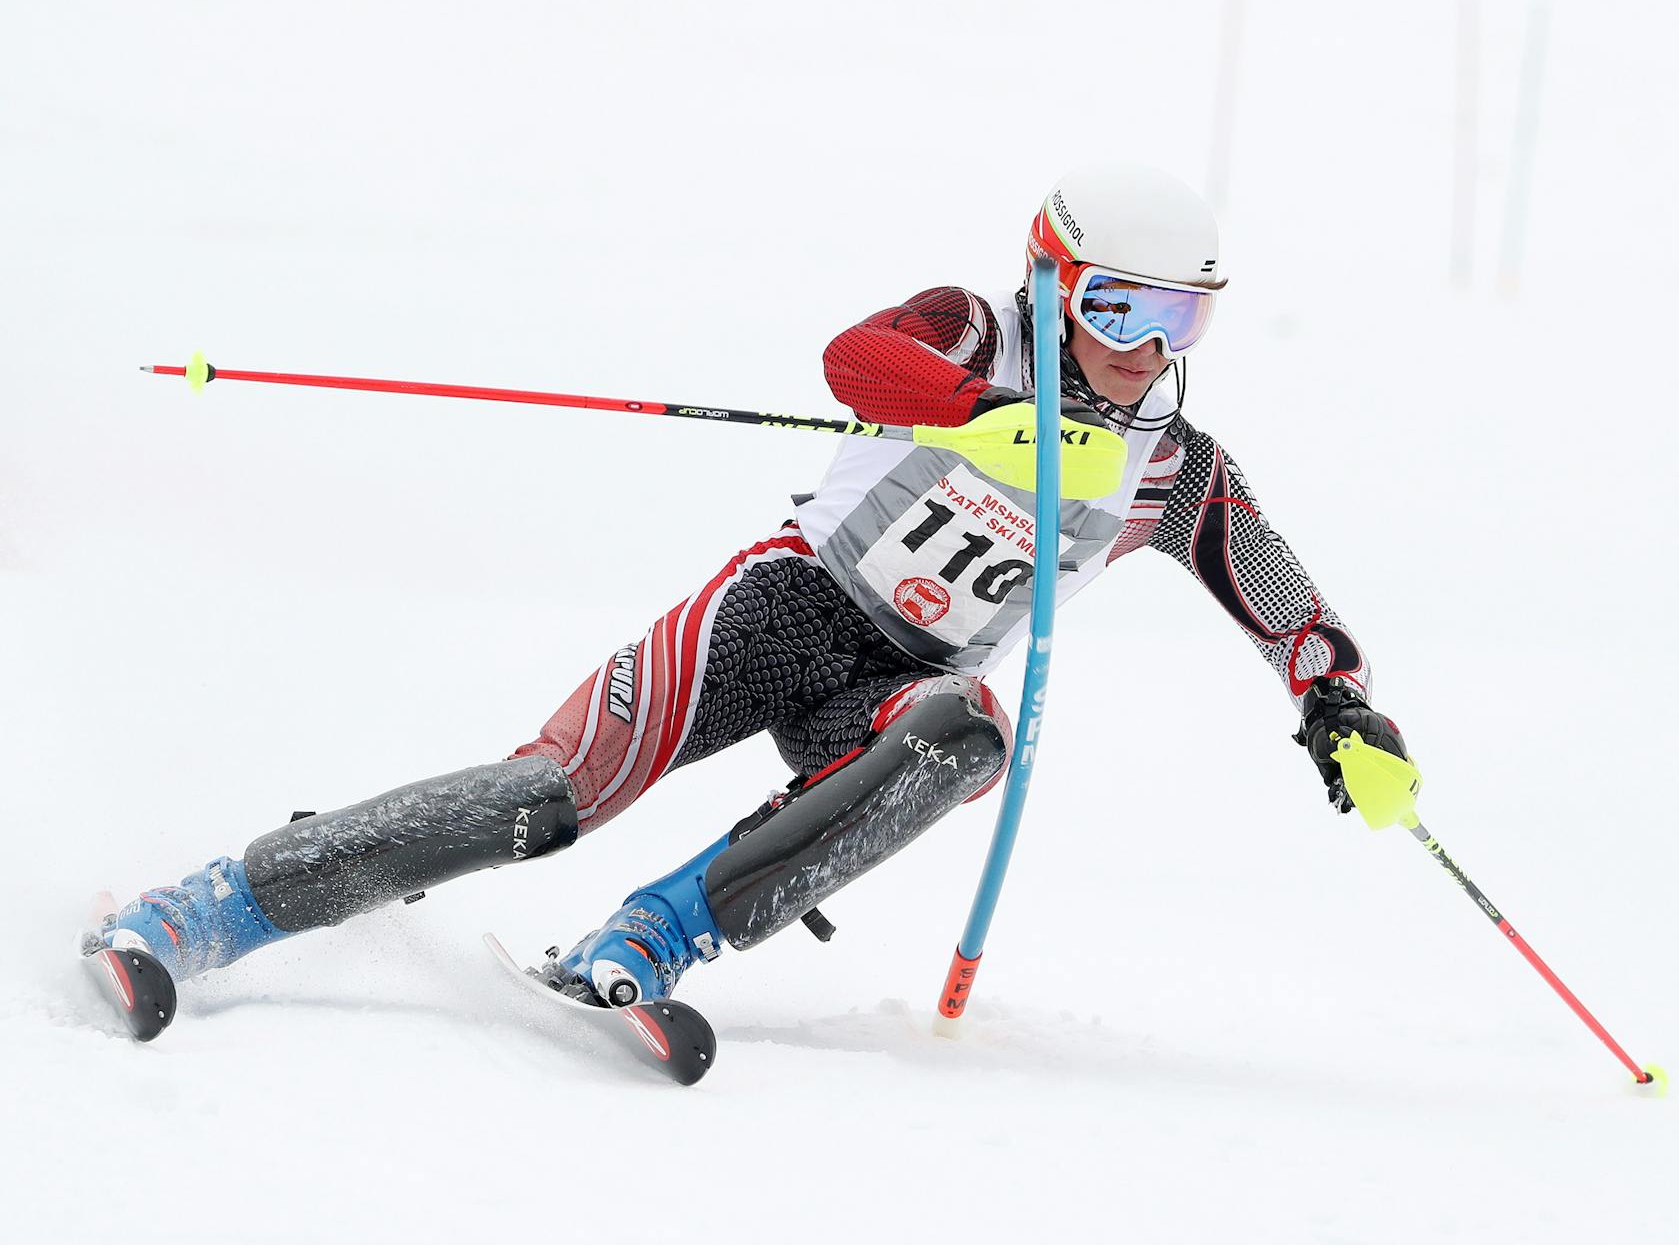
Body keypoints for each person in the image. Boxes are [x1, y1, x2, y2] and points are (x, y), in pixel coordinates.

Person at [95, 161, 1417, 1009]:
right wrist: (981, 415)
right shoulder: (977, 325)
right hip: (785, 607)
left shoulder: (1175, 470)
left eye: (1179, 320)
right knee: (549, 799)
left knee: (970, 743)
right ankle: (215, 904)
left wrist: (1342, 714)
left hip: (904, 685)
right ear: (1055, 282)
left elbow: (1288, 604)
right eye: (1120, 310)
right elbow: (854, 361)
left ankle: (655, 938)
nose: (1144, 350)